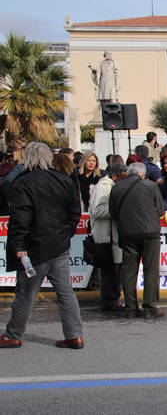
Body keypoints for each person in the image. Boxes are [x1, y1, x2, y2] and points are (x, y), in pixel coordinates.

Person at [0, 142, 84, 349]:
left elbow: (21, 218)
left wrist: (19, 246)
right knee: (65, 292)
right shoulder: (64, 180)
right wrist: (65, 235)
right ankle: (75, 335)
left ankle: (13, 334)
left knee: (26, 293)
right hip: (59, 244)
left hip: (34, 247)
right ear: (48, 157)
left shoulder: (23, 183)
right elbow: (75, 213)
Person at [109, 162, 166, 319]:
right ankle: (149, 307)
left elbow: (113, 213)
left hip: (127, 233)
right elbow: (161, 211)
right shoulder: (151, 186)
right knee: (151, 270)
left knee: (129, 271)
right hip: (150, 233)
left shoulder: (117, 188)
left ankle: (131, 308)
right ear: (142, 174)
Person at [89, 160, 127, 312]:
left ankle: (114, 300)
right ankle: (109, 302)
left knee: (115, 270)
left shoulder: (113, 186)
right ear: (115, 176)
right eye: (122, 176)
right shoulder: (103, 187)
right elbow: (97, 211)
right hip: (106, 237)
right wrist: (116, 210)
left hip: (113, 237)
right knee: (109, 272)